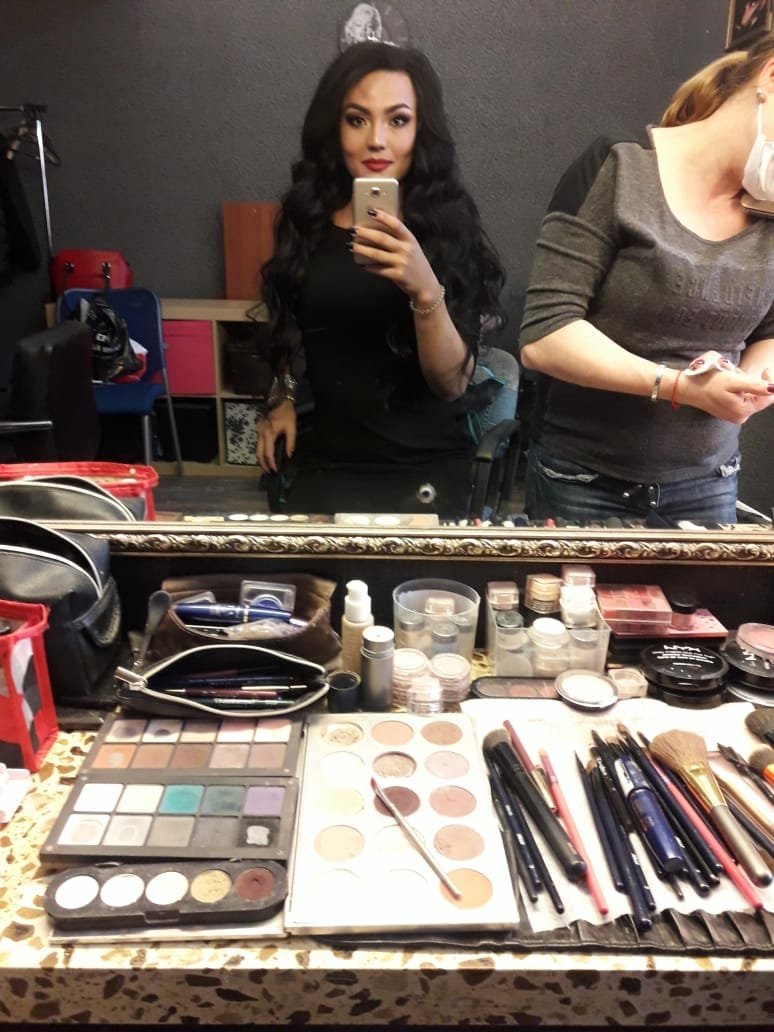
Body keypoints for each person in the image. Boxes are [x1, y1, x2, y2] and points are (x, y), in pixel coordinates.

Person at [518, 34, 774, 525]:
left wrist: (755, 383)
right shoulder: (618, 168)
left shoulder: (769, 211)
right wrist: (679, 387)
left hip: (710, 482)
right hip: (585, 481)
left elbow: (771, 332)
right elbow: (546, 336)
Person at [256, 42, 506, 516]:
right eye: (357, 119)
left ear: (421, 130)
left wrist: (425, 288)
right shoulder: (306, 218)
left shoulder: (448, 227)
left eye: (397, 120)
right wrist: (282, 398)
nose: (376, 140)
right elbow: (286, 320)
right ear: (334, 129)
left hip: (426, 472)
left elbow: (452, 384)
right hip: (329, 467)